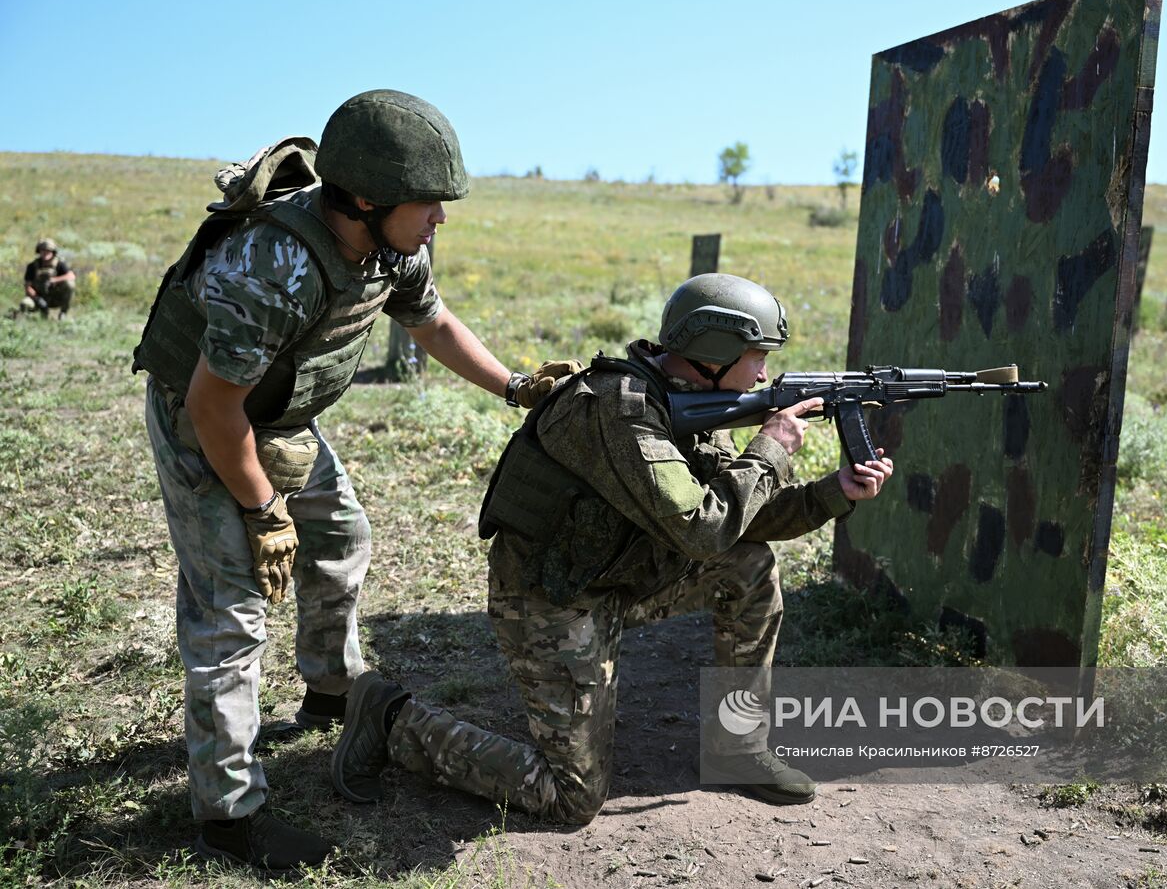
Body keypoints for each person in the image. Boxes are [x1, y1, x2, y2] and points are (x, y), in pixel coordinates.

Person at [133, 90, 574, 872]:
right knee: (230, 609)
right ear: (365, 200)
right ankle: (228, 815)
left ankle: (332, 687)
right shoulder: (273, 266)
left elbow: (429, 322)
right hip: (204, 416)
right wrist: (264, 510)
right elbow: (212, 405)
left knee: (341, 535)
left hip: (277, 412)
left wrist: (513, 386)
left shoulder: (391, 246)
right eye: (429, 204)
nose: (440, 218)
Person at [330, 273, 894, 825]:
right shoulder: (620, 410)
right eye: (757, 356)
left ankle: (739, 746)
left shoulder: (690, 399)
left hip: (620, 575)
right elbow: (703, 528)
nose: (765, 372)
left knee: (748, 564)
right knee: (569, 798)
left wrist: (833, 494)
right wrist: (769, 450)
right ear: (715, 352)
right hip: (553, 599)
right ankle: (391, 719)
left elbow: (737, 520)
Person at [18, 238, 75, 318]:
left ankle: (63, 313)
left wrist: (54, 280)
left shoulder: (59, 264)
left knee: (70, 284)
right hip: (38, 298)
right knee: (25, 303)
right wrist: (38, 300)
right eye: (43, 250)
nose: (45, 253)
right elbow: (28, 286)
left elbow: (71, 276)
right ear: (39, 251)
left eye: (48, 251)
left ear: (53, 252)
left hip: (55, 298)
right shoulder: (32, 266)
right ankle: (28, 320)